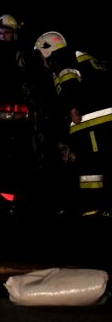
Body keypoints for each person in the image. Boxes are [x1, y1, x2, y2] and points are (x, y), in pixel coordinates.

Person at [35, 31, 111, 218]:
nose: (40, 60)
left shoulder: (62, 59)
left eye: (39, 54)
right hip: (102, 118)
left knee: (90, 168)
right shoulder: (80, 55)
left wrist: (71, 107)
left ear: (47, 49)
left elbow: (70, 84)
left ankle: (92, 208)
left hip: (93, 121)